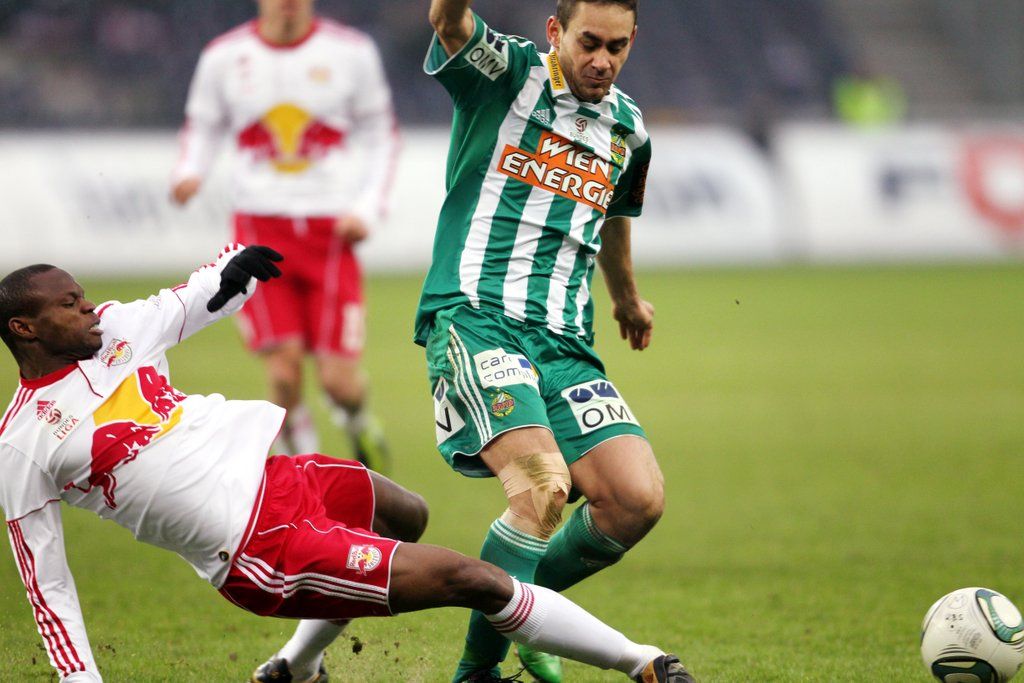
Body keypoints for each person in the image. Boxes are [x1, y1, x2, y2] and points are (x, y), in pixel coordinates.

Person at [0, 245, 693, 683]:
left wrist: (234, 268)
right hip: (258, 549)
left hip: (283, 477)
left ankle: (294, 667)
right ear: (24, 328)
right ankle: (643, 662)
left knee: (407, 514)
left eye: (84, 296)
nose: (89, 310)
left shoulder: (116, 330)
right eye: (70, 304)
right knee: (473, 579)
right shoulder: (23, 442)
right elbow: (45, 581)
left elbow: (189, 300)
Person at [419, 1, 666, 681]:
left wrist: (625, 297)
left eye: (617, 47)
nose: (602, 61)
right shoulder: (506, 73)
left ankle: (532, 609)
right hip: (476, 318)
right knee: (543, 486)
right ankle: (476, 671)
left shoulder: (630, 129)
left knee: (636, 499)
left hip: (564, 341)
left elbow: (613, 214)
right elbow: (448, 22)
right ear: (555, 32)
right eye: (589, 42)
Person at [170, 0, 397, 472]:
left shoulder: (351, 51)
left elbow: (381, 134)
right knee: (283, 374)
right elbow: (204, 125)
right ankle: (303, 474)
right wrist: (190, 170)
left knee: (338, 382)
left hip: (331, 234)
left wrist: (366, 208)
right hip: (259, 230)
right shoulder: (224, 56)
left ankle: (358, 423)